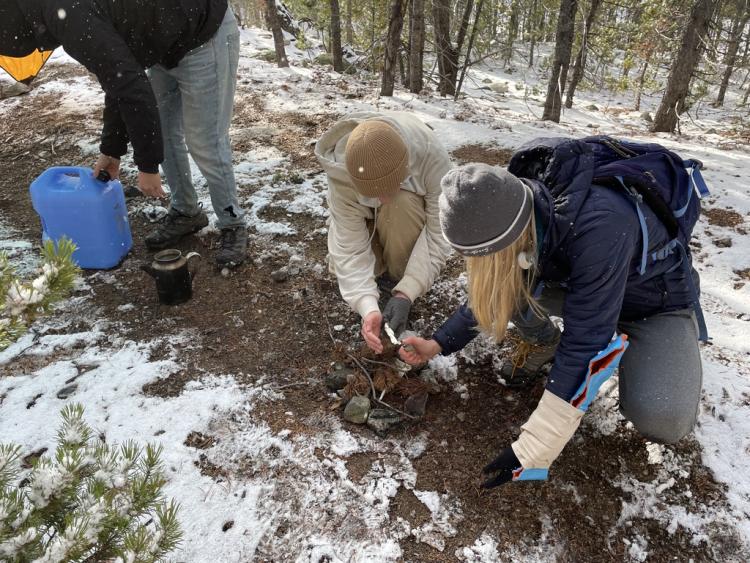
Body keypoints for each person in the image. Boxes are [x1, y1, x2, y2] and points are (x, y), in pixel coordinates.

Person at [400, 137, 705, 488]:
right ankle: (544, 343)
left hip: (651, 305)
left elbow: (585, 341)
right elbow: (492, 286)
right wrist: (436, 344)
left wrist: (534, 447)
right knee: (509, 283)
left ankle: (654, 353)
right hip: (581, 285)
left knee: (663, 417)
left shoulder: (602, 222)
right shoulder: (515, 213)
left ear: (512, 233)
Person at [0, 0, 247, 267]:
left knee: (205, 141)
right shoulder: (56, 14)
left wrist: (147, 166)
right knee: (163, 132)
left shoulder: (69, 16)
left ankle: (232, 222)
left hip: (204, 32)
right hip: (164, 39)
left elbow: (132, 88)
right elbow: (118, 78)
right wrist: (111, 150)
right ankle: (186, 211)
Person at [315, 112, 452, 352]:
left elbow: (440, 231)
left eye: (390, 188)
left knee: (401, 202)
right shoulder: (343, 173)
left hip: (404, 221)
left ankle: (396, 279)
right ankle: (378, 279)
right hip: (369, 228)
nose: (381, 199)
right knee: (349, 265)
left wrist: (407, 291)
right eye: (373, 194)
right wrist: (367, 306)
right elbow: (348, 244)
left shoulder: (430, 155)